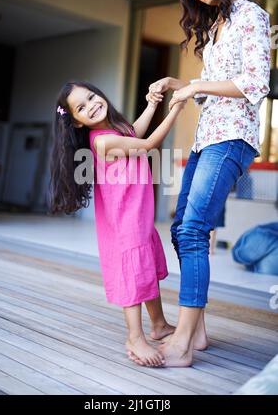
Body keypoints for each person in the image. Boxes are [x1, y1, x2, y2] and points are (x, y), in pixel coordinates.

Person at [147, 0, 271, 367]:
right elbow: (211, 86)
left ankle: (182, 341)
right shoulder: (218, 25)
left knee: (194, 228)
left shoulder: (249, 14)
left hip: (233, 136)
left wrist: (195, 87)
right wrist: (177, 83)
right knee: (182, 227)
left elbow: (254, 82)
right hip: (207, 139)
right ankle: (196, 332)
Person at [48, 80, 186, 367]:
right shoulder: (102, 140)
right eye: (82, 107)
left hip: (138, 213)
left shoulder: (112, 131)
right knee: (134, 274)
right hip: (126, 218)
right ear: (76, 121)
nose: (92, 105)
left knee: (144, 269)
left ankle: (159, 324)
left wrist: (152, 105)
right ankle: (135, 337)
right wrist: (176, 108)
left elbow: (134, 133)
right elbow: (147, 144)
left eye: (91, 96)